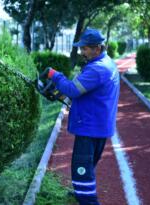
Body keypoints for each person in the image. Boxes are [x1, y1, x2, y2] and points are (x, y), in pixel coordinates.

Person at [43, 28, 120, 205]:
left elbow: (72, 90)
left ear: (97, 48)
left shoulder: (97, 69)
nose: (82, 51)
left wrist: (55, 75)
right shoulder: (107, 63)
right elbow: (85, 93)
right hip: (98, 125)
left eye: (85, 48)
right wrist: (62, 95)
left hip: (90, 127)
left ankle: (87, 200)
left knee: (81, 170)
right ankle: (81, 194)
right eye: (81, 48)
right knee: (87, 167)